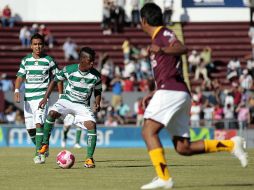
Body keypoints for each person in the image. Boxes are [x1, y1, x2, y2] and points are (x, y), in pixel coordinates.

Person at [139, 3, 248, 189]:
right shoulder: (158, 39)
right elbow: (169, 70)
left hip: (172, 91)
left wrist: (163, 50)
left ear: (143, 20)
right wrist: (155, 91)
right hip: (174, 91)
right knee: (183, 148)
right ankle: (231, 145)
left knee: (148, 130)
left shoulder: (163, 34)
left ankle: (164, 178)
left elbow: (181, 48)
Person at [38, 47, 102, 168]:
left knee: (92, 125)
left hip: (82, 105)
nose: (93, 63)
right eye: (90, 60)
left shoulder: (96, 76)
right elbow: (54, 80)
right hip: (66, 100)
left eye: (93, 60)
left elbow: (98, 91)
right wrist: (45, 97)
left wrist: (98, 103)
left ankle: (89, 159)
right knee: (52, 113)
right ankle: (45, 144)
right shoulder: (69, 69)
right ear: (82, 60)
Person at [14, 33, 61, 164]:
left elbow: (58, 77)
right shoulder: (26, 60)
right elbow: (19, 77)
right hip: (28, 100)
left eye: (40, 44)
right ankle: (43, 148)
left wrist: (61, 94)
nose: (38, 46)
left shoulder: (49, 60)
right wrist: (17, 90)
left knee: (39, 123)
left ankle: (38, 155)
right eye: (35, 44)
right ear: (31, 46)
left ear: (44, 45)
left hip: (42, 98)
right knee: (30, 130)